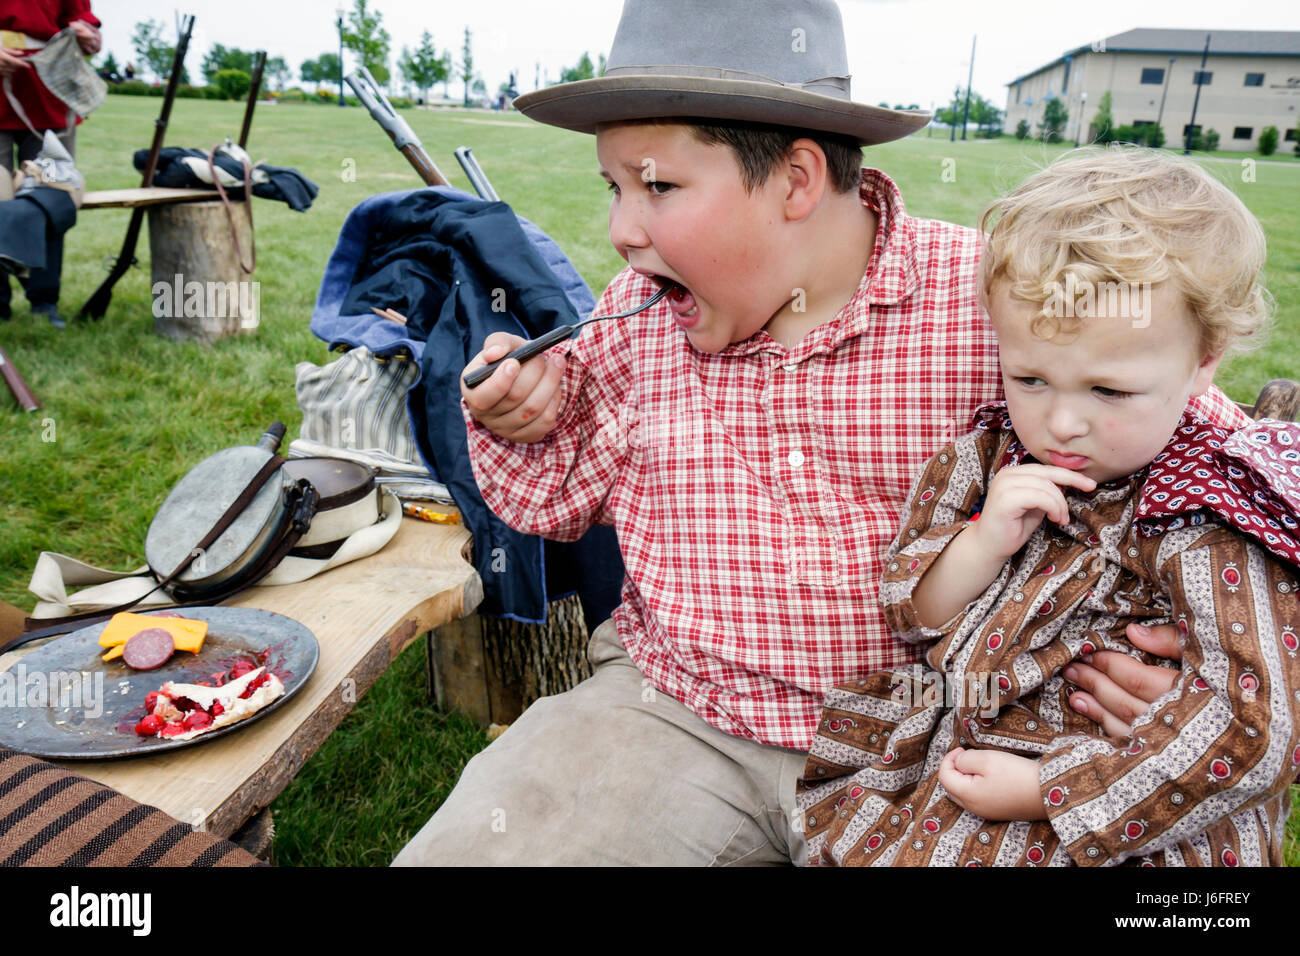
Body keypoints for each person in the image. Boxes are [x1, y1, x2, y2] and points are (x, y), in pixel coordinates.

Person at [392, 0, 1249, 866]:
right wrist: (524, 416)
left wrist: (1215, 668)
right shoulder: (637, 320)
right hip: (682, 713)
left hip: (962, 739)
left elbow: (1233, 476)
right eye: (614, 188)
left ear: (798, 179)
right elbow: (558, 500)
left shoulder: (1002, 302)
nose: (621, 231)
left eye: (658, 186)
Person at [799, 147, 1300, 867]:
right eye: (1030, 377)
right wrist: (982, 543)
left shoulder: (1210, 512)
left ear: (1205, 359)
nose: (1061, 422)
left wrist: (1049, 789)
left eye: (1107, 390)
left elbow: (1255, 725)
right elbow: (913, 612)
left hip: (1130, 805)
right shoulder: (990, 456)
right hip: (971, 764)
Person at [0, 0, 101, 328]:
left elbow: (79, 15)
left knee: (51, 197)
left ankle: (44, 299)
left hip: (48, 92)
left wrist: (87, 33)